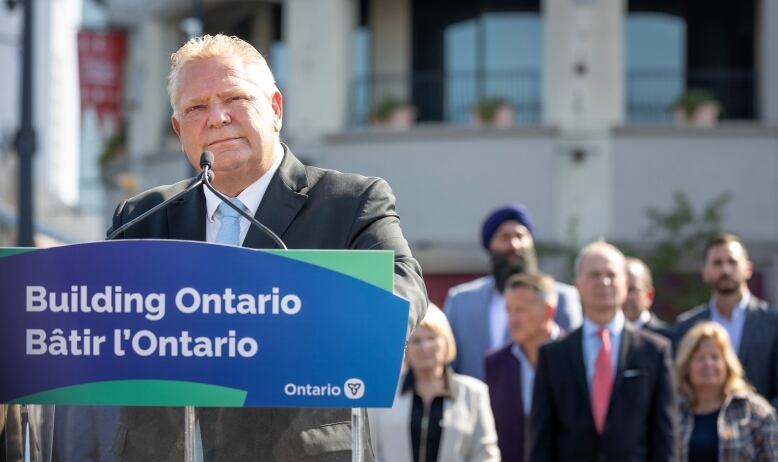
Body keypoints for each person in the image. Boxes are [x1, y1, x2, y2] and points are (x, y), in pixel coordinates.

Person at [105, 34, 427, 461]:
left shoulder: (350, 201)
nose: (217, 118)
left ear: (275, 108)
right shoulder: (142, 215)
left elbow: (402, 285)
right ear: (180, 129)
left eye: (234, 97)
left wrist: (308, 314)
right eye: (197, 107)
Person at [529, 241, 679, 462]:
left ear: (625, 284)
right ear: (577, 284)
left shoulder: (654, 351)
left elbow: (666, 435)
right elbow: (541, 437)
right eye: (594, 275)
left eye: (611, 274)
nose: (604, 282)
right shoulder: (553, 355)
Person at [445, 203, 582, 380]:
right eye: (504, 237)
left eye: (520, 236)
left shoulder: (562, 297)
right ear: (490, 246)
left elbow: (575, 358)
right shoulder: (461, 301)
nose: (514, 245)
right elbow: (448, 364)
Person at [370, 306, 500, 462]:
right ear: (405, 348)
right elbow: (371, 450)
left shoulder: (474, 392)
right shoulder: (384, 391)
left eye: (432, 338)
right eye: (416, 341)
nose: (425, 347)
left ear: (447, 342)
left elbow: (485, 453)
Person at [675, 233, 778, 411]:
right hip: (700, 432)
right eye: (717, 263)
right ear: (705, 272)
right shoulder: (687, 326)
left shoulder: (774, 323)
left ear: (748, 269)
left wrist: (759, 423)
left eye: (732, 262)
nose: (725, 270)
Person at [484, 272, 562, 462]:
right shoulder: (495, 363)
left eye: (521, 310)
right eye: (509, 310)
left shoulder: (576, 355)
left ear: (549, 311)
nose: (512, 319)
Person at [675, 321, 778, 461]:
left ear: (727, 363)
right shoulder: (672, 411)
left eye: (715, 357)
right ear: (686, 366)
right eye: (700, 358)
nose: (708, 364)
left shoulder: (756, 412)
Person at [622, 257, 667, 334]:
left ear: (649, 295)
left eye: (631, 290)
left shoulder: (666, 337)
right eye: (621, 289)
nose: (625, 296)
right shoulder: (603, 337)